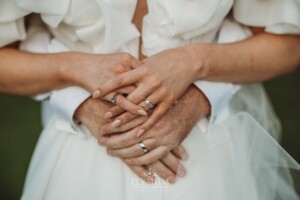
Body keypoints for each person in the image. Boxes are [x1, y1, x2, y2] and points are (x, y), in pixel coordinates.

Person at [0, 0, 299, 199]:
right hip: (83, 156)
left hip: (207, 150)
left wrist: (195, 64)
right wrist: (73, 71)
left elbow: (287, 45)